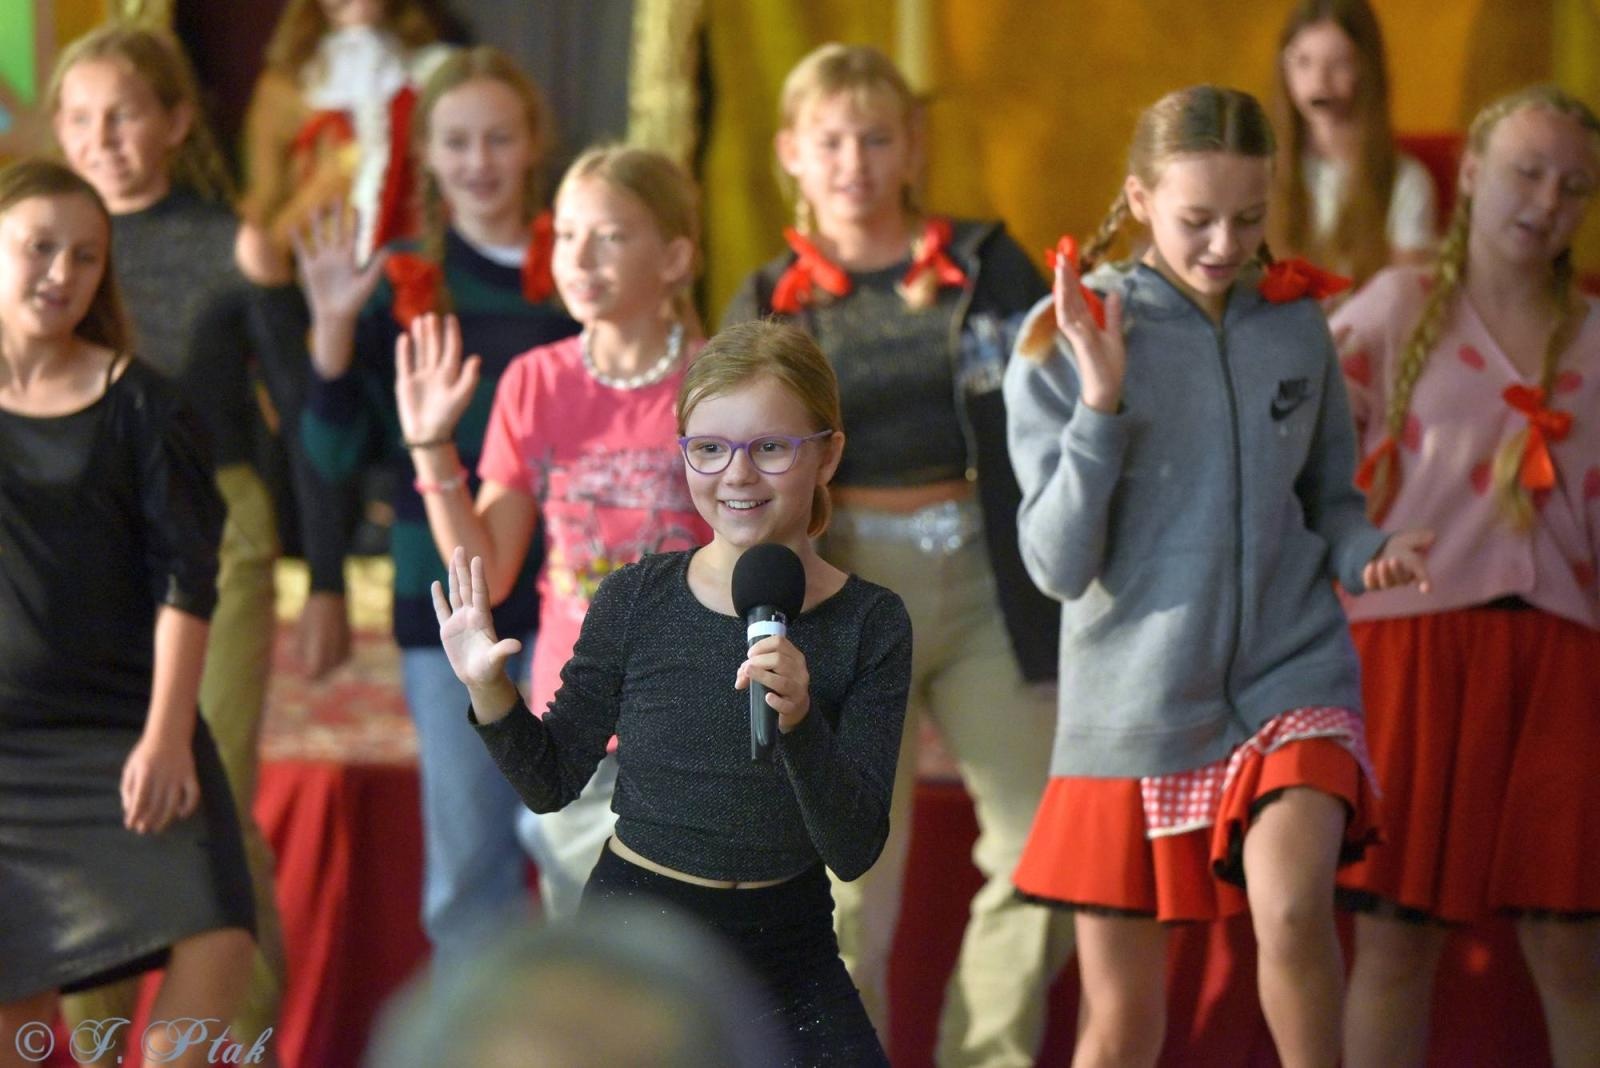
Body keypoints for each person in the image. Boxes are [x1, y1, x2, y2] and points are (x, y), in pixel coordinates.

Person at [1003, 86, 1431, 1068]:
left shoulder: (1294, 324)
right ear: (1139, 198)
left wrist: (1370, 552)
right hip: (1134, 704)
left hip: (1292, 675)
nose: (1225, 243)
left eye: (1249, 217)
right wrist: (1101, 401)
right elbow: (1056, 566)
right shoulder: (1061, 333)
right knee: (1118, 1030)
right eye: (1197, 219)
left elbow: (1331, 499)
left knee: (1290, 913)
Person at [720, 42, 1072, 1065]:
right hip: (843, 588)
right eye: (829, 139)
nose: (854, 161)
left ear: (913, 144)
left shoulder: (986, 262)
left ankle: (985, 1053)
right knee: (844, 870)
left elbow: (1052, 412)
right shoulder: (774, 295)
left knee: (1039, 845)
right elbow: (734, 466)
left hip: (985, 579)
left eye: (876, 136)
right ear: (790, 152)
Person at [434, 319, 912, 1066]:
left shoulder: (870, 621)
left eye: (771, 448)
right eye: (711, 449)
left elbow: (852, 850)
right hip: (639, 936)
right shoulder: (637, 598)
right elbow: (551, 780)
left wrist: (800, 720)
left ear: (828, 454)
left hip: (789, 949)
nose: (738, 476)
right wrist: (489, 688)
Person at [1330, 85, 1600, 1068]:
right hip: (1410, 650)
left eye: (1573, 186)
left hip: (1563, 661)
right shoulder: (1396, 308)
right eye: (1527, 171)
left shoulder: (1598, 338)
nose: (1546, 200)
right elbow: (1297, 455)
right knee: (1397, 937)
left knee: (1574, 946)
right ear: (1475, 174)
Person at [296, 46, 578, 962]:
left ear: (533, 143)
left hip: (581, 587)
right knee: (470, 868)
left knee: (586, 854)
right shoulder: (400, 282)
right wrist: (335, 334)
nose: (480, 160)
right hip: (451, 598)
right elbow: (336, 452)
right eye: (458, 141)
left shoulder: (584, 264)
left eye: (499, 137)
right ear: (430, 156)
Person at [48, 23, 293, 1059]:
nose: (101, 137)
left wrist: (324, 582)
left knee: (209, 797)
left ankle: (239, 1044)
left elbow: (306, 420)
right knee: (88, 806)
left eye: (126, 113)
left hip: (217, 528)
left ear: (177, 120)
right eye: (79, 118)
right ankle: (88, 1042)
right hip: (79, 542)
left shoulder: (231, 240)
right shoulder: (40, 250)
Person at [395, 144, 713, 918]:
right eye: (566, 235)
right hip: (581, 725)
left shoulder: (719, 381)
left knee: (699, 971)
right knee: (599, 972)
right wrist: (433, 448)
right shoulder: (537, 381)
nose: (579, 257)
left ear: (674, 256)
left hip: (698, 722)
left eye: (609, 235)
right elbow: (491, 572)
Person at [0, 160, 255, 1068]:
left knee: (218, 938)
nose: (60, 274)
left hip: (129, 729)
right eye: (38, 248)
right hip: (6, 759)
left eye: (84, 256)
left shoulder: (146, 403)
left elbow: (187, 580)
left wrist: (165, 736)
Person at [238, 0, 452, 282]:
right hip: (323, 283)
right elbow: (263, 209)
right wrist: (321, 191)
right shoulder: (285, 87)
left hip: (430, 272)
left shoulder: (438, 72)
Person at [1270, 0, 1437, 285]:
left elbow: (1403, 300)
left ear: (1366, 69)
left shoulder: (1405, 181)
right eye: (1303, 62)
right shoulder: (1258, 171)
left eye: (1339, 63)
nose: (1319, 82)